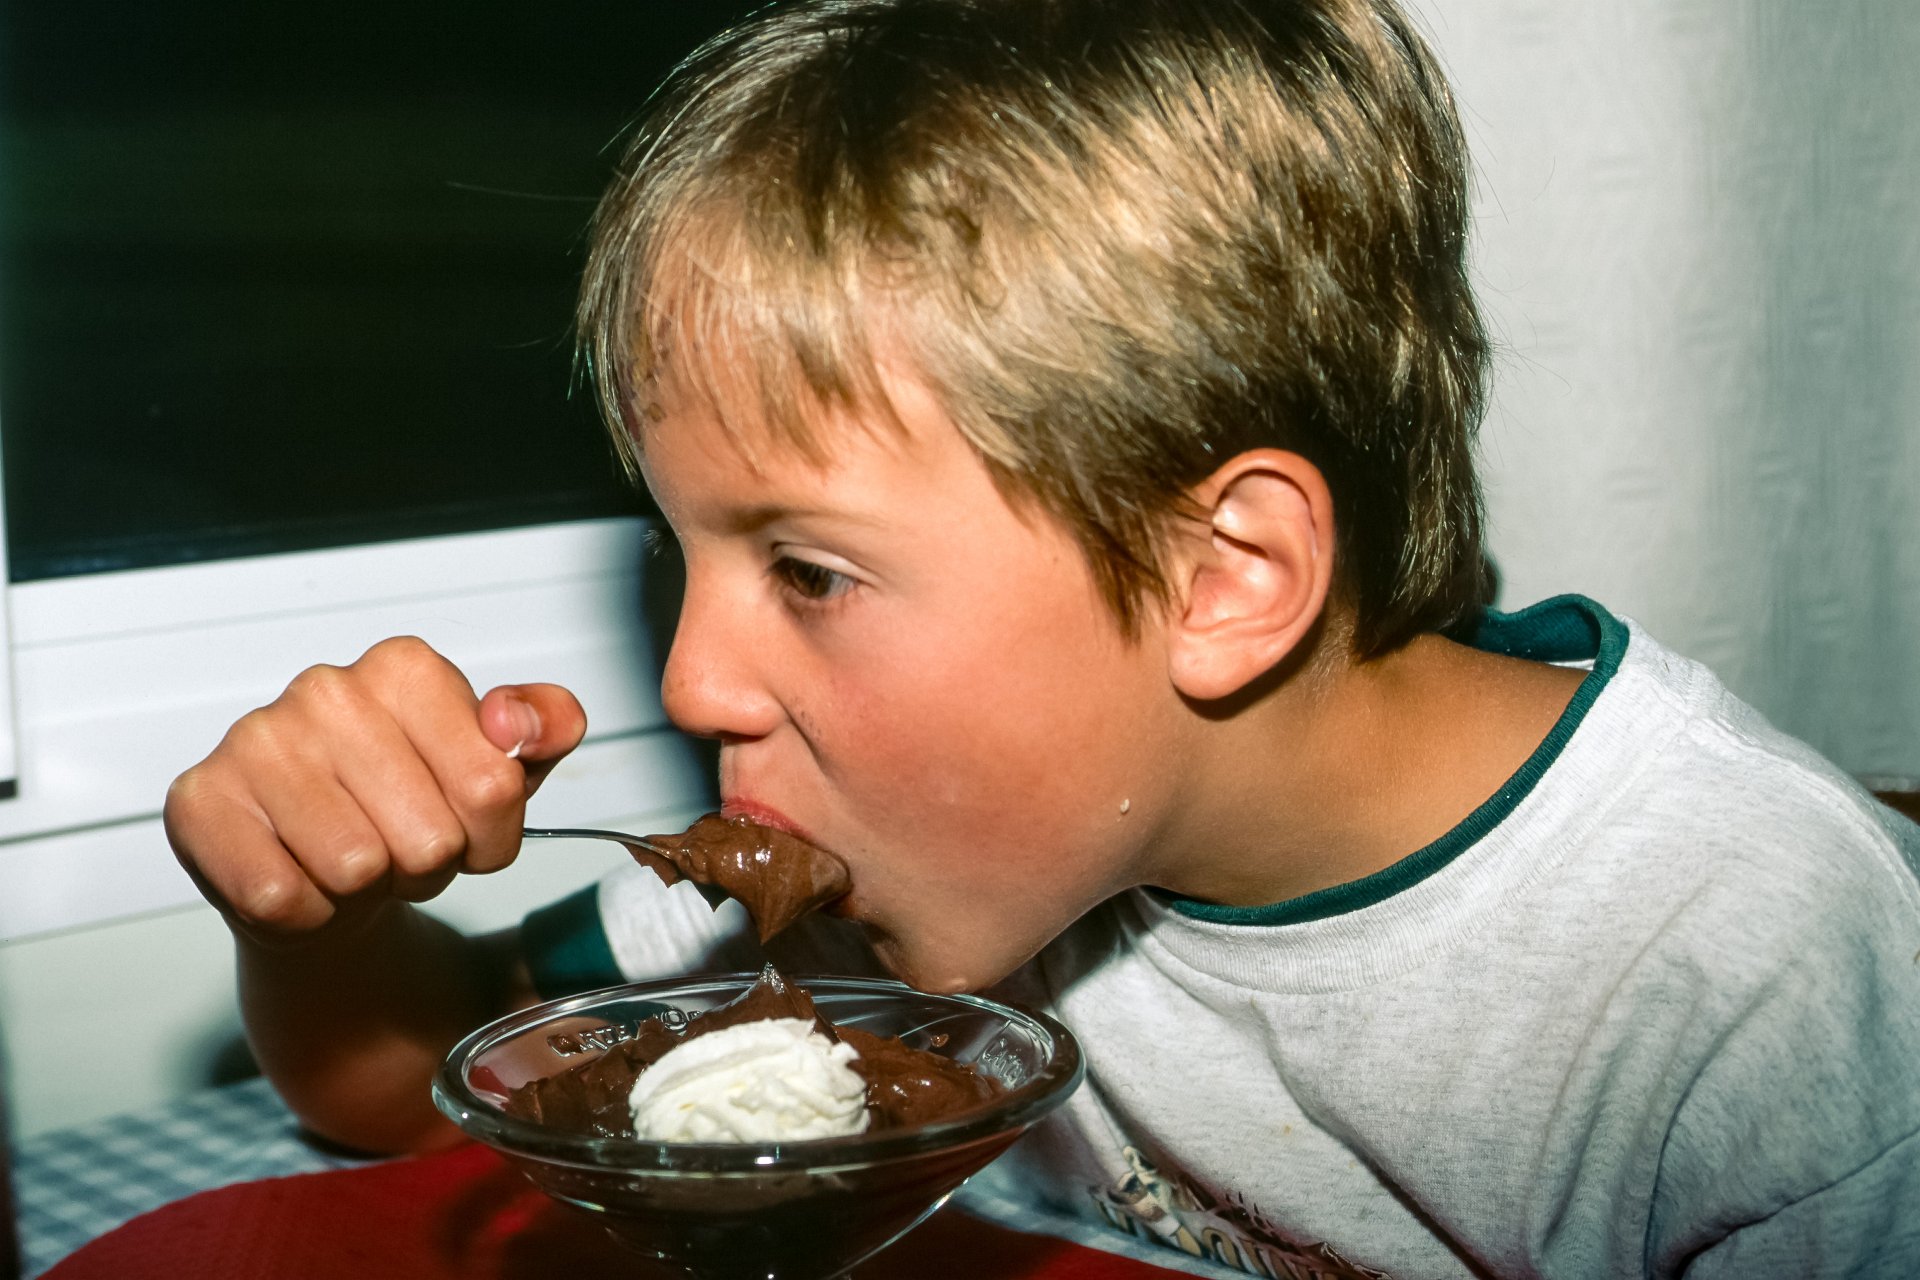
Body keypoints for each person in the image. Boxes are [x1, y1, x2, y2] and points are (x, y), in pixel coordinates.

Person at [163, 0, 1920, 1275]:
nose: (692, 681)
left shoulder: (1750, 982)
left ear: (1223, 577)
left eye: (809, 571)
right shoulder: (893, 852)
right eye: (677, 550)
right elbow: (418, 1089)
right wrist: (311, 914)